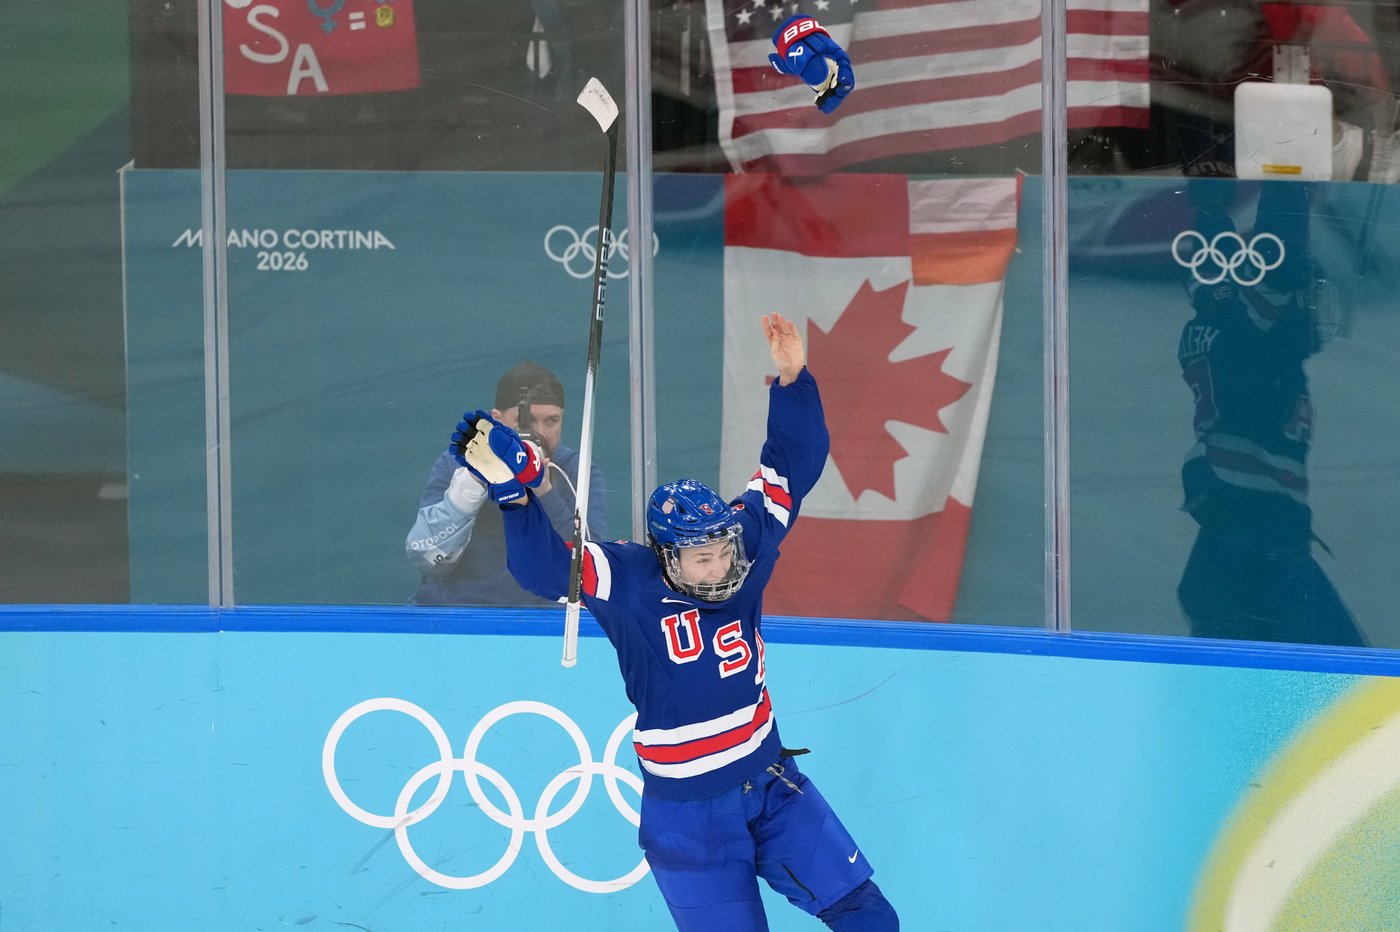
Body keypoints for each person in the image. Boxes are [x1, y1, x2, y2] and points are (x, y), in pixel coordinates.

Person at [450, 314, 898, 931]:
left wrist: (792, 376)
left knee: (870, 918)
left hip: (771, 784)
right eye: (702, 557)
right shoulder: (629, 577)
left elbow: (796, 462)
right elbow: (547, 572)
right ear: (666, 554)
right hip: (688, 820)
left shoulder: (743, 540)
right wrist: (513, 496)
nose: (720, 566)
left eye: (723, 551)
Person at [1174, 180, 1367, 647]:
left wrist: (1212, 207)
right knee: (1349, 672)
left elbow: (1217, 271)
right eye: (1305, 295)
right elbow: (1275, 257)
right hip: (1258, 551)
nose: (1312, 307)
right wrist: (1289, 186)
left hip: (1239, 546)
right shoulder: (1254, 330)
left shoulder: (1217, 324)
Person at [405, 361, 606, 606]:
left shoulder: (575, 471)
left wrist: (544, 489)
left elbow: (587, 569)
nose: (539, 433)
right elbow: (424, 558)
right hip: (455, 613)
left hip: (539, 619)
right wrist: (474, 482)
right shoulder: (456, 464)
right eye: (527, 421)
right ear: (496, 420)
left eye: (551, 421)